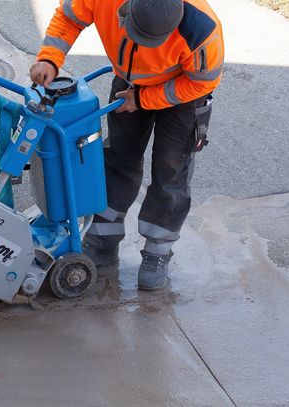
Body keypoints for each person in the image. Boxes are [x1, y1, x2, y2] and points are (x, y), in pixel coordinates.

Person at [30, 0, 224, 290]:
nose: (144, 46)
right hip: (128, 82)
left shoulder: (202, 30)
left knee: (171, 170)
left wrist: (145, 100)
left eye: (151, 41)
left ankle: (157, 253)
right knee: (116, 158)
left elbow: (201, 83)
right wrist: (50, 57)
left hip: (182, 95)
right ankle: (102, 241)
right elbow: (69, 18)